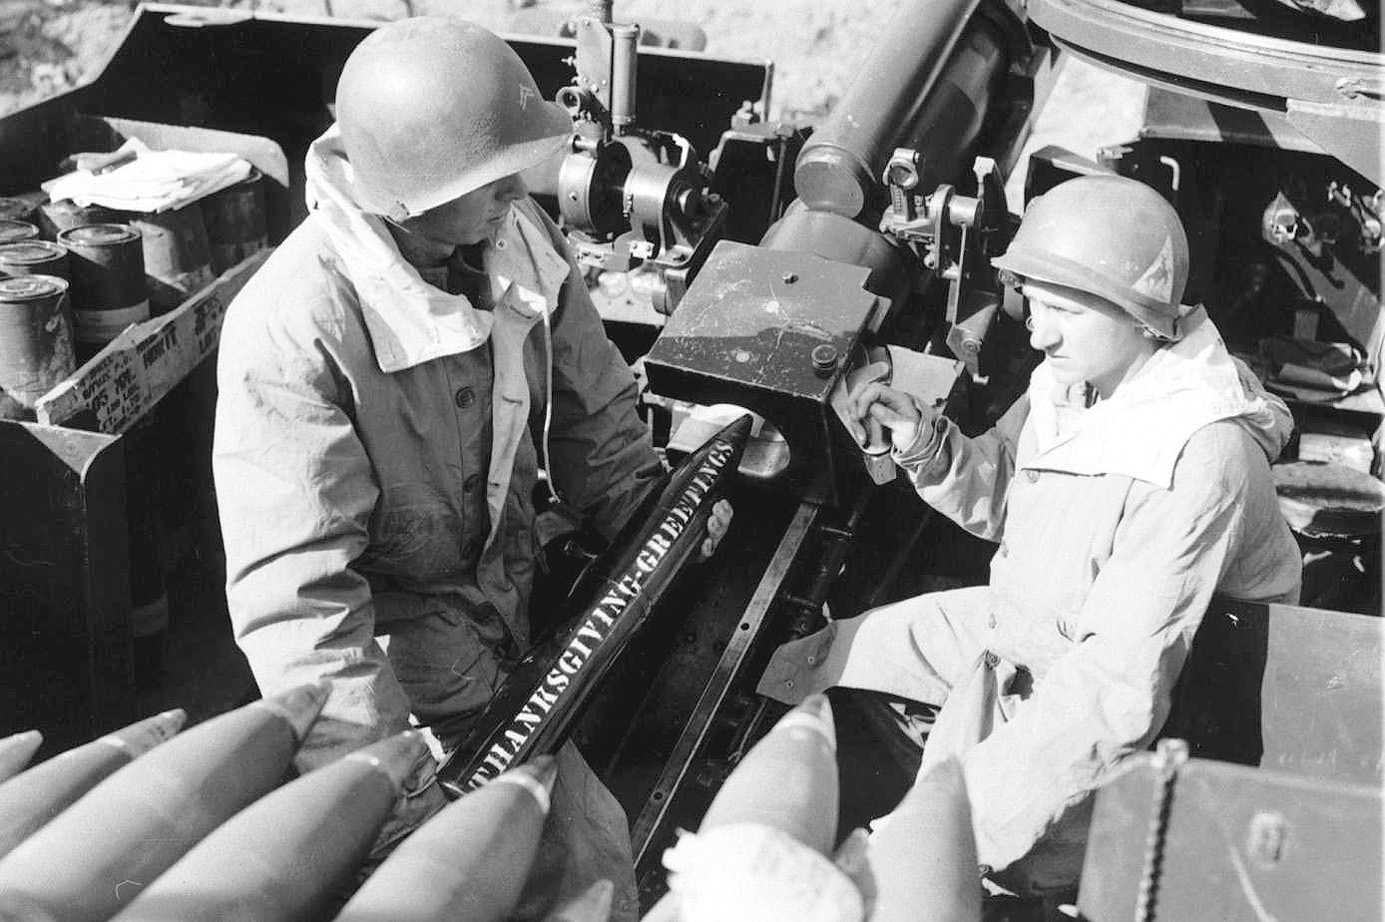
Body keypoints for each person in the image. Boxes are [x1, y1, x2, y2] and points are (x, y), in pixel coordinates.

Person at [211, 17, 728, 921]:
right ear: (408, 193)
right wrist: (381, 787)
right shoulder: (294, 329)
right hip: (398, 676)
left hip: (510, 601)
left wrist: (656, 517)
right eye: (491, 177)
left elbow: (595, 411)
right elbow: (301, 604)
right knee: (584, 862)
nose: (520, 191)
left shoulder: (509, 237)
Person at [758, 174, 1302, 900]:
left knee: (976, 858)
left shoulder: (1197, 457)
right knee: (827, 659)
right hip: (1042, 620)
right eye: (1034, 304)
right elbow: (1013, 491)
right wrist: (924, 442)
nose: (1038, 333)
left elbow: (1114, 691)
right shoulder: (1075, 379)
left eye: (1063, 311)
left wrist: (934, 833)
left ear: (1140, 315)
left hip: (1161, 702)